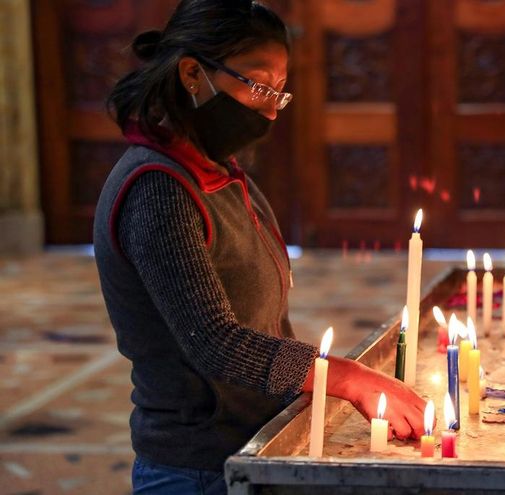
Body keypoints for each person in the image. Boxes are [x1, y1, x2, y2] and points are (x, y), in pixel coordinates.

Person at [93, 1, 427, 493]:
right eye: (257, 86)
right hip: (199, 467)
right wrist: (348, 378)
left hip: (251, 441)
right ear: (192, 74)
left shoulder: (218, 171)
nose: (271, 108)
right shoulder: (158, 188)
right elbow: (216, 344)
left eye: (278, 92)